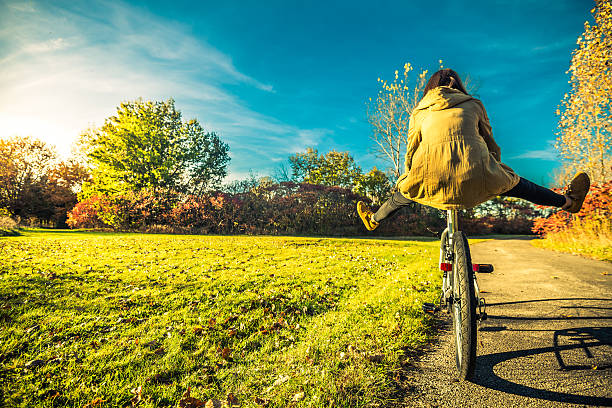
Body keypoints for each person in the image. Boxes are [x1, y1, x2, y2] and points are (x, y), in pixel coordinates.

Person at [357, 68, 590, 231]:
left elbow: (411, 151)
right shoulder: (473, 104)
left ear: (430, 88)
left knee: (400, 197)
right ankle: (569, 203)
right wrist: (496, 168)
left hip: (429, 178)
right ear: (457, 86)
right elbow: (490, 143)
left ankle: (374, 220)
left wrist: (410, 177)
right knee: (521, 185)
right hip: (476, 173)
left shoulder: (419, 112)